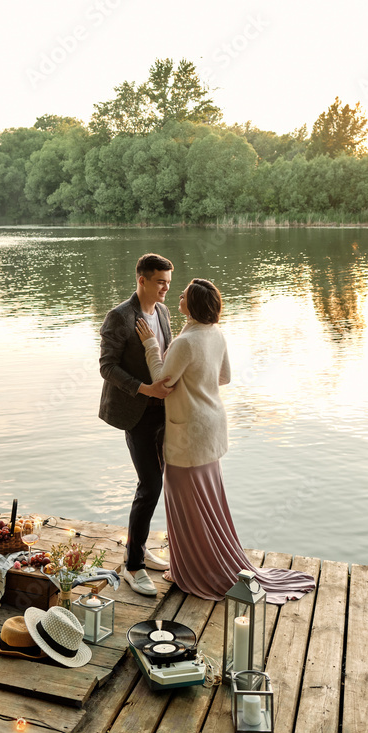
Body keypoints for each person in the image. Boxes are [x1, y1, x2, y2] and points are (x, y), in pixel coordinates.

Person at [136, 278, 315, 604]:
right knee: (208, 501)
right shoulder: (215, 335)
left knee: (185, 502)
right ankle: (194, 562)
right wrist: (196, 380)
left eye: (185, 294)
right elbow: (224, 377)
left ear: (194, 305)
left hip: (188, 431)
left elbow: (161, 381)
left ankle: (191, 570)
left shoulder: (185, 342)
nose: (179, 295)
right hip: (212, 427)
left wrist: (151, 345)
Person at [99, 253, 175, 597]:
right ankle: (132, 566)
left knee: (162, 482)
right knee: (150, 484)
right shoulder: (119, 316)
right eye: (160, 281)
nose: (165, 289)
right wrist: (145, 389)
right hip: (136, 412)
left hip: (166, 411)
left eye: (169, 282)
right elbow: (107, 367)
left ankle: (140, 547)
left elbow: (167, 353)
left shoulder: (162, 312)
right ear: (141, 279)